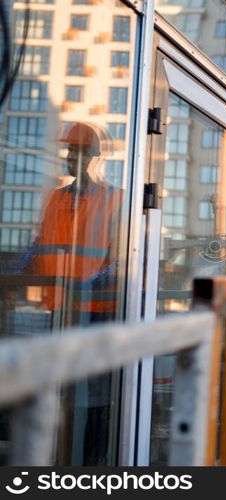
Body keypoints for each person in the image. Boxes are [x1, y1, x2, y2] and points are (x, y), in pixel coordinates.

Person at [20, 121, 122, 465]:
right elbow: (40, 244)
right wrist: (16, 273)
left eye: (78, 150)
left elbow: (121, 258)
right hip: (59, 310)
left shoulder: (113, 199)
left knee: (91, 400)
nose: (69, 156)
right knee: (59, 393)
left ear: (94, 157)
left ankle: (89, 466)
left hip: (96, 312)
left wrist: (90, 282)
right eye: (68, 149)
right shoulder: (55, 198)